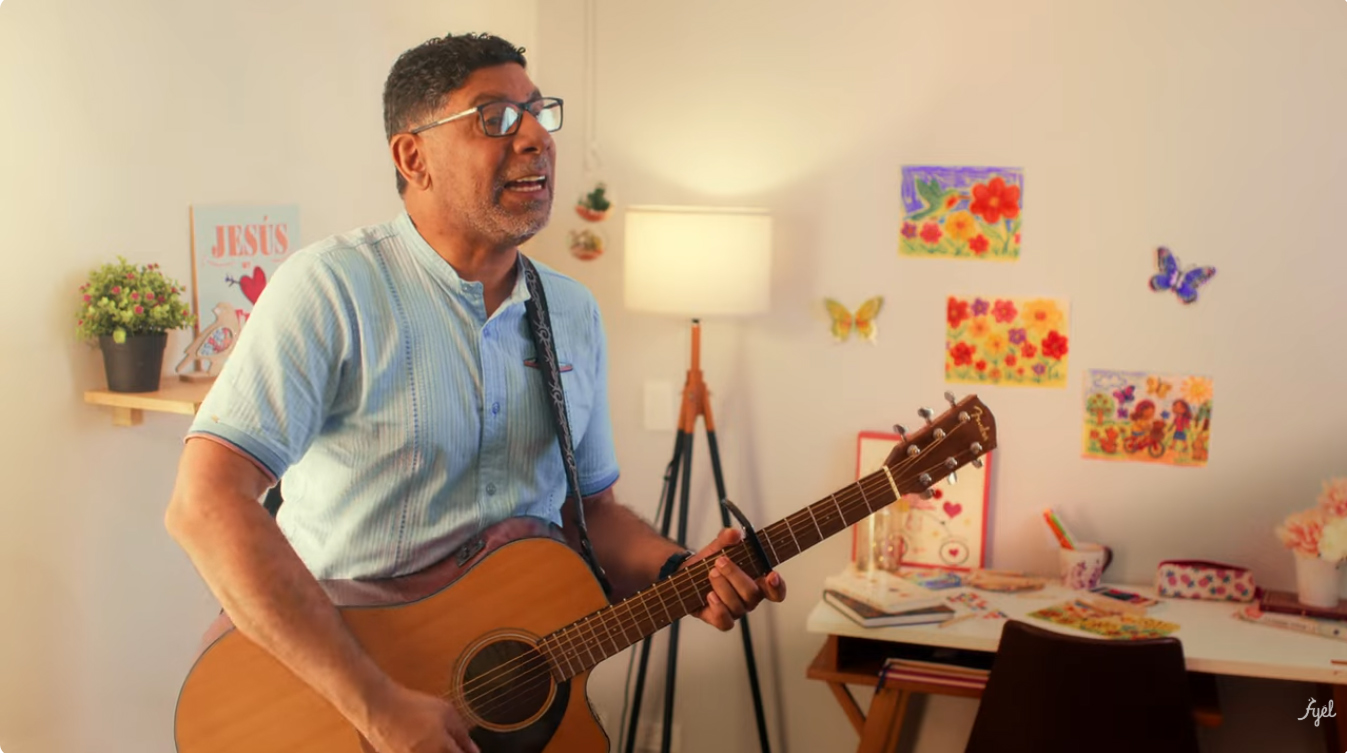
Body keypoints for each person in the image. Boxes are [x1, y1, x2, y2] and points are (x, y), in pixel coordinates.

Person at [164, 32, 786, 753]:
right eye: (495, 117)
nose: (536, 137)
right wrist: (378, 706)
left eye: (538, 112)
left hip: (511, 718)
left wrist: (679, 569)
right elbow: (204, 505)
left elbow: (590, 513)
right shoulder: (330, 289)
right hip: (334, 711)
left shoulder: (572, 313)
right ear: (413, 157)